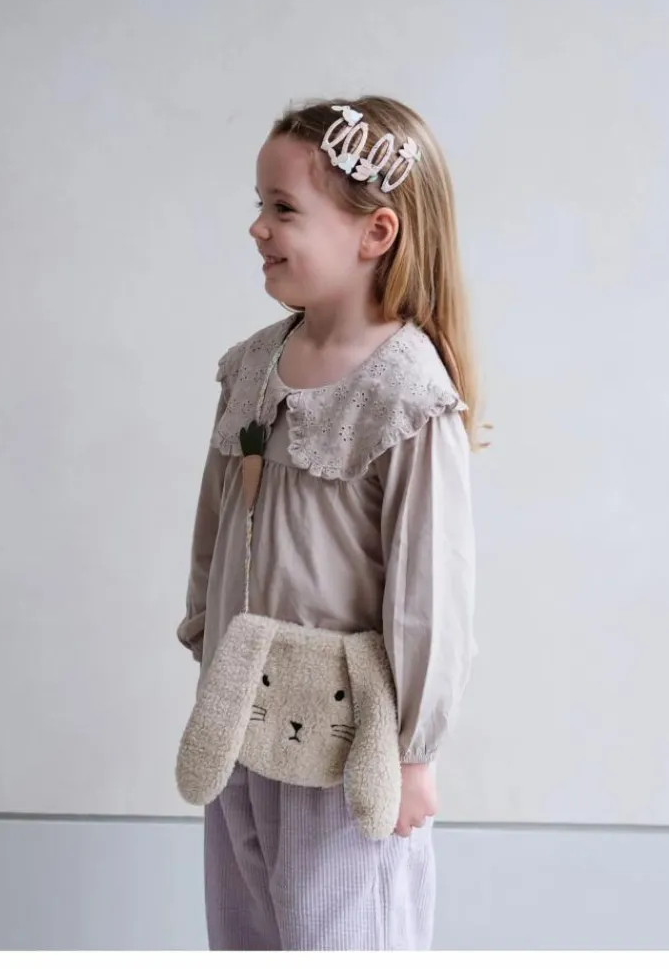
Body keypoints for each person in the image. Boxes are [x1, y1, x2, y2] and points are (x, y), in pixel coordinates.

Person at [176, 95, 483, 950]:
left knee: (343, 936)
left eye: (283, 209)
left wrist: (415, 752)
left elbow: (430, 590)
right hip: (241, 715)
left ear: (374, 233)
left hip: (349, 742)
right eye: (259, 204)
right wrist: (208, 641)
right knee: (246, 934)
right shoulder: (252, 367)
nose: (258, 228)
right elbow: (215, 523)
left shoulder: (407, 393)